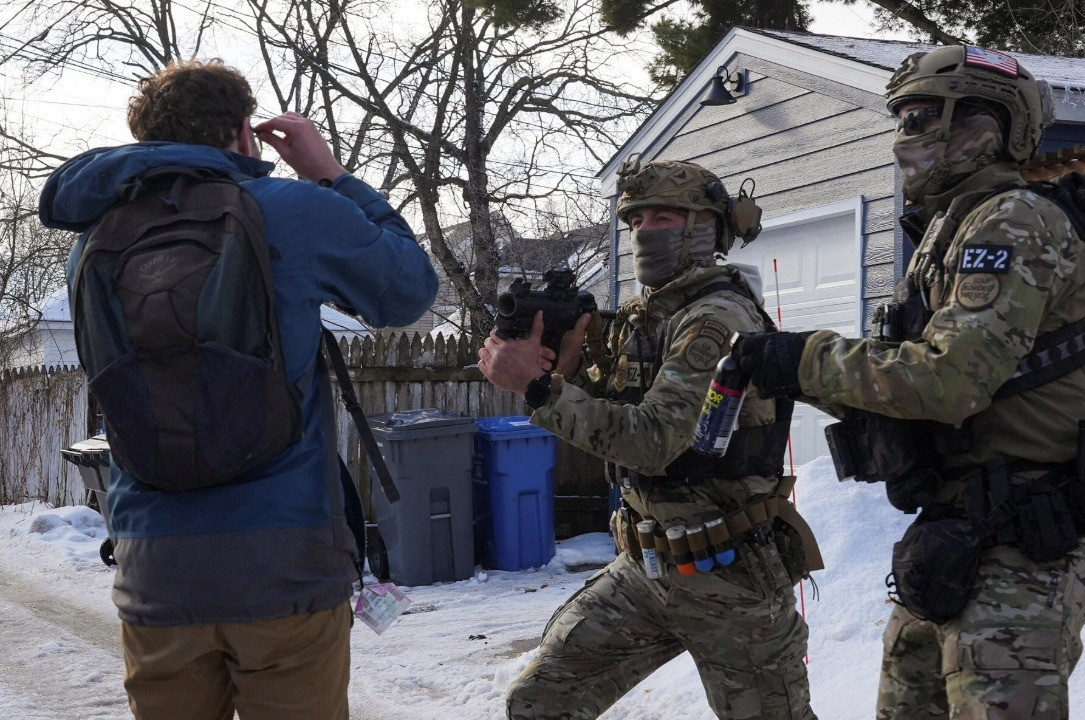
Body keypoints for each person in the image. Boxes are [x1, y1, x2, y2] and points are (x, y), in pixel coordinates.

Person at [39, 59, 438, 720]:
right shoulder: (293, 211)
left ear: (146, 139)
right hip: (285, 563)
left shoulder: (95, 241)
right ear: (244, 133)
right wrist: (330, 175)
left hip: (155, 569)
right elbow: (410, 291)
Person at [732, 46, 1085, 718]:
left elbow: (950, 382)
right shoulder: (950, 227)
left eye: (925, 118)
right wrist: (784, 365)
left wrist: (805, 359)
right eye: (903, 120)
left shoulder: (1013, 220)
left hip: (1028, 540)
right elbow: (899, 376)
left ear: (988, 125)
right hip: (958, 529)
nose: (907, 136)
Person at [478, 159, 821, 720]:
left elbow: (655, 441)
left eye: (663, 217)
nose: (643, 231)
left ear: (705, 226)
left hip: (730, 578)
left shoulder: (716, 319)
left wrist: (539, 390)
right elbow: (620, 416)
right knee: (540, 701)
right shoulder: (652, 316)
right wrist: (570, 374)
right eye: (635, 220)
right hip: (649, 567)